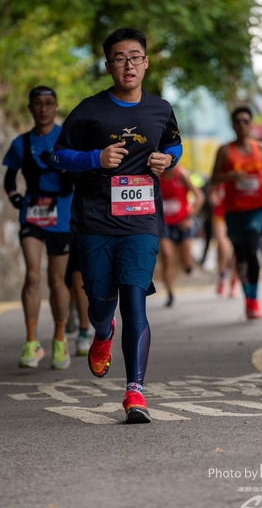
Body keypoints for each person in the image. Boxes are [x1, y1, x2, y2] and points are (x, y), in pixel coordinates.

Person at [51, 27, 182, 423]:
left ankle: (135, 390)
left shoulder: (161, 109)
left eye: (135, 57)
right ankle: (103, 332)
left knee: (134, 298)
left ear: (146, 62)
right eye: (120, 58)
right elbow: (59, 156)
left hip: (141, 220)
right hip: (95, 221)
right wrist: (95, 158)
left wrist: (168, 160)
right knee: (99, 304)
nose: (129, 65)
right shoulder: (88, 110)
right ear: (108, 65)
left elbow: (173, 144)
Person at [3, 86, 72, 370]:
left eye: (49, 103)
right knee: (32, 275)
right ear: (30, 108)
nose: (43, 109)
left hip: (62, 216)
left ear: (56, 107)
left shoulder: (67, 138)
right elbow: (10, 178)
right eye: (38, 103)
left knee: (56, 281)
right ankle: (31, 340)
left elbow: (84, 173)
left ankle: (59, 338)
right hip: (32, 215)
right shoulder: (20, 143)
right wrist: (15, 198)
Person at [211, 105, 262, 319]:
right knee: (241, 256)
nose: (242, 125)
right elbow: (213, 178)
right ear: (233, 125)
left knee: (252, 250)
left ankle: (254, 300)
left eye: (246, 121)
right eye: (238, 121)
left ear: (251, 124)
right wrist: (230, 176)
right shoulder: (225, 151)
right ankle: (247, 298)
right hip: (234, 211)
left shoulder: (261, 149)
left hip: (256, 208)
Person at [159, 165, 205, 307]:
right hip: (164, 224)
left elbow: (200, 197)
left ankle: (188, 267)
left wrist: (189, 218)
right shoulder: (158, 175)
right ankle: (170, 293)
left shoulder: (182, 175)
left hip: (182, 223)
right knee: (166, 257)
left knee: (185, 260)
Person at [207, 182, 239, 297]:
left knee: (237, 250)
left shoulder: (240, 174)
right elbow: (211, 189)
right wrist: (212, 196)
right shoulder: (220, 174)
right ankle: (222, 276)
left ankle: (233, 282)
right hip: (220, 214)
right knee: (222, 246)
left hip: (236, 214)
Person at [64, 245, 93, 355]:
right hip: (63, 236)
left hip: (83, 237)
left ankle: (83, 333)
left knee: (79, 279)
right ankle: (72, 309)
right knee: (65, 282)